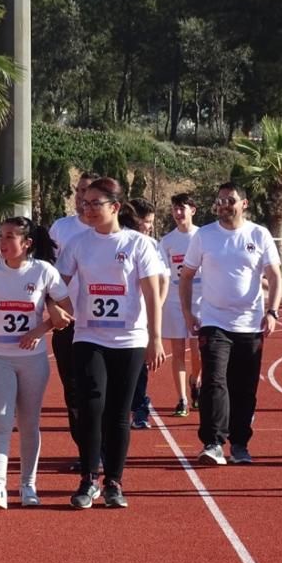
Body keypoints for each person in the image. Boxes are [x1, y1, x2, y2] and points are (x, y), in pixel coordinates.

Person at [57, 177, 166, 509]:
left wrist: (155, 338)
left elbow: (151, 293)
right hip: (89, 335)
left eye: (95, 204)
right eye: (84, 203)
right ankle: (89, 478)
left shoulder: (138, 244)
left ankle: (114, 482)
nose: (87, 209)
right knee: (90, 406)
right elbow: (58, 283)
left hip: (129, 339)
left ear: (115, 207)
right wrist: (51, 309)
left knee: (119, 413)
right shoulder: (78, 243)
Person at [0, 217, 71, 508]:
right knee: (0, 423)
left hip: (32, 361)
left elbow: (67, 310)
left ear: (26, 243)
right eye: (1, 236)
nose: (2, 242)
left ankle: (28, 485)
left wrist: (40, 330)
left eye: (10, 237)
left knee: (29, 423)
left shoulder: (43, 271)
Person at [180, 183, 282, 465]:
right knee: (214, 380)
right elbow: (186, 276)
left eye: (231, 200)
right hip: (214, 322)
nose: (225, 205)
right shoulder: (204, 235)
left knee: (244, 387)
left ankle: (239, 443)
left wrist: (272, 311)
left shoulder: (258, 235)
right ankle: (212, 442)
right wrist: (189, 314)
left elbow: (275, 276)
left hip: (250, 324)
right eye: (220, 201)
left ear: (244, 204)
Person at [49, 171, 98, 459]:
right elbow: (48, 272)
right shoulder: (61, 228)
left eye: (90, 193)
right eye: (80, 191)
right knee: (73, 390)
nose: (83, 197)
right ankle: (85, 450)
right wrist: (52, 306)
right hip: (67, 322)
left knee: (98, 388)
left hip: (102, 324)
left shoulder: (109, 231)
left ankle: (100, 446)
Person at [159, 193, 203, 417]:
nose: (178, 213)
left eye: (182, 209)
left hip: (201, 301)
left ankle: (196, 380)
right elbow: (163, 275)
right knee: (177, 351)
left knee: (198, 351)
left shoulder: (203, 237)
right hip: (175, 301)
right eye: (174, 209)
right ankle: (182, 400)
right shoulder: (166, 242)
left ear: (192, 210)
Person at [128, 197, 169, 430]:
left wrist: (156, 306)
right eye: (146, 221)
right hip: (115, 321)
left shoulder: (151, 245)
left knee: (140, 368)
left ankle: (140, 409)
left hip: (140, 320)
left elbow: (163, 279)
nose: (150, 226)